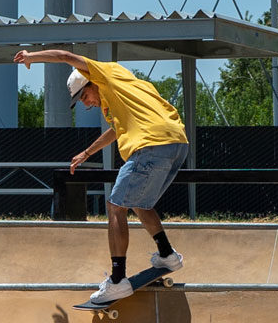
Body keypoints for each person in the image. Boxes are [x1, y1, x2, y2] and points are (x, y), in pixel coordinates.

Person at [12, 48, 187, 304]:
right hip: (176, 144)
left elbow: (64, 56)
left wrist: (31, 57)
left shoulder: (106, 74)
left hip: (150, 145)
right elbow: (117, 130)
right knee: (138, 202)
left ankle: (117, 281)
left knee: (115, 207)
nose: (86, 103)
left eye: (84, 95)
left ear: (91, 81)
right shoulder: (123, 92)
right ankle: (167, 255)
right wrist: (86, 152)